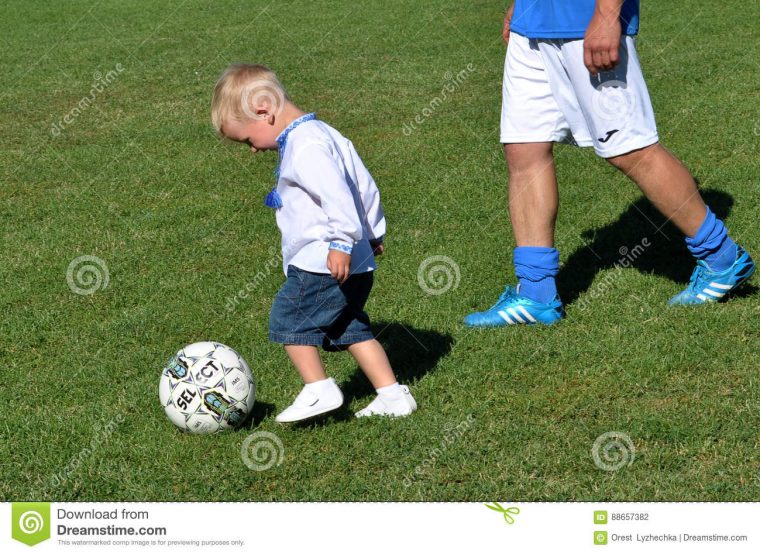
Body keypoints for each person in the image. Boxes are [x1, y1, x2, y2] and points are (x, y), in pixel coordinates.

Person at [465, 0, 754, 327]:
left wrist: (606, 14)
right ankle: (536, 293)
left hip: (584, 19)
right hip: (532, 24)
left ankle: (721, 257)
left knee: (630, 149)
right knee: (523, 148)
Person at [211, 63, 417, 421]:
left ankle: (318, 388)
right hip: (355, 258)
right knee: (349, 327)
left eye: (247, 139)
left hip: (323, 261)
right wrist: (370, 234)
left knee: (288, 318)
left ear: (264, 111)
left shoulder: (305, 147)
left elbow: (337, 194)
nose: (253, 150)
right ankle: (393, 396)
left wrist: (341, 241)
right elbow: (363, 185)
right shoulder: (323, 133)